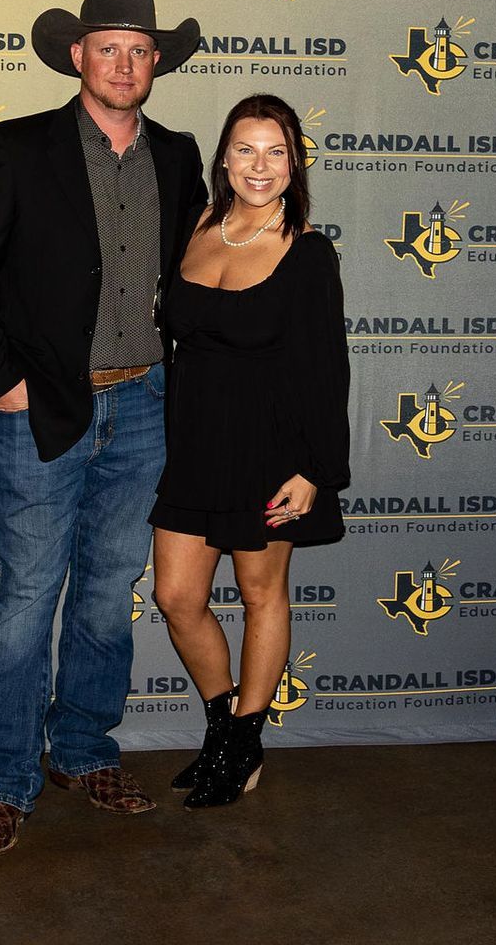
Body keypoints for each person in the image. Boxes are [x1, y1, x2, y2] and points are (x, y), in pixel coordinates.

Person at [0, 0, 207, 856]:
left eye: (139, 50)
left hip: (145, 405)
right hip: (42, 408)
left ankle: (84, 751)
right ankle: (6, 780)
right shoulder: (19, 148)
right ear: (77, 56)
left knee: (106, 594)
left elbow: (193, 282)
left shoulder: (177, 154)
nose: (124, 64)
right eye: (108, 49)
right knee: (25, 599)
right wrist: (0, 381)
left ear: (155, 62)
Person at [149, 94, 350, 808]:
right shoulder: (199, 226)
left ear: (294, 163)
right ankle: (223, 726)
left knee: (262, 595)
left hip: (271, 449)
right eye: (245, 149)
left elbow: (329, 368)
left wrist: (315, 470)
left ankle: (242, 742)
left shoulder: (307, 252)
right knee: (177, 597)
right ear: (223, 159)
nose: (258, 166)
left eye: (275, 151)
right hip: (195, 443)